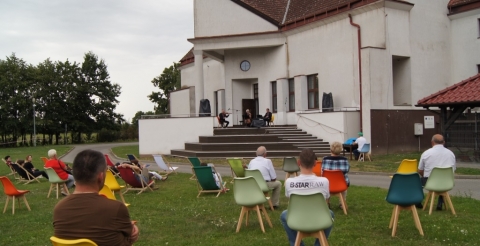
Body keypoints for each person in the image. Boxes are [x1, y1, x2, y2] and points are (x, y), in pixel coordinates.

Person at [53, 149, 139, 245]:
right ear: (101, 176)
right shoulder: (115, 208)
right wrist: (132, 233)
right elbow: (128, 236)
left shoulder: (59, 208)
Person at [281, 149, 334, 246]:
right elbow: (326, 200)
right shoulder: (324, 181)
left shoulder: (289, 182)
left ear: (298, 163)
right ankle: (319, 244)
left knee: (284, 214)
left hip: (297, 219)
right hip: (320, 219)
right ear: (315, 163)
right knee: (330, 214)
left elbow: (291, 202)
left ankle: (296, 243)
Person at [417, 134, 456, 210]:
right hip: (447, 183)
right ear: (443, 142)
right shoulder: (451, 154)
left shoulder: (426, 153)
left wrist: (425, 176)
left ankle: (418, 202)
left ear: (432, 142)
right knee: (443, 179)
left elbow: (420, 170)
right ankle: (440, 203)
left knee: (418, 181)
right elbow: (453, 170)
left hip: (430, 182)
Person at [322, 141, 350, 208]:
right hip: (341, 185)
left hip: (328, 184)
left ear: (330, 150)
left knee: (326, 180)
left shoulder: (325, 159)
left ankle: (327, 202)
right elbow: (347, 170)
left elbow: (322, 171)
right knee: (344, 180)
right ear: (340, 150)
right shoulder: (345, 160)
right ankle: (342, 203)